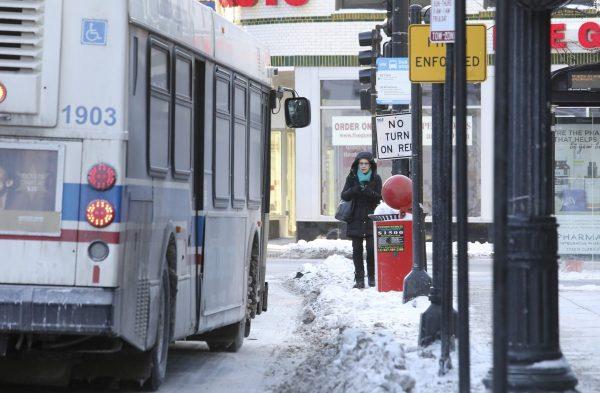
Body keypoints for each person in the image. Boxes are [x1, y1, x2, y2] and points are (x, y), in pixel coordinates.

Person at [341, 151, 382, 288]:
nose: (363, 166)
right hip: (355, 218)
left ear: (371, 165)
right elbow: (344, 196)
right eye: (361, 163)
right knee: (357, 251)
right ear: (357, 164)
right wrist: (355, 189)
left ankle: (371, 277)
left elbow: (379, 197)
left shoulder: (376, 178)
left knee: (371, 250)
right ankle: (359, 279)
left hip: (371, 218)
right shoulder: (352, 178)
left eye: (366, 163)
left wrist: (368, 192)